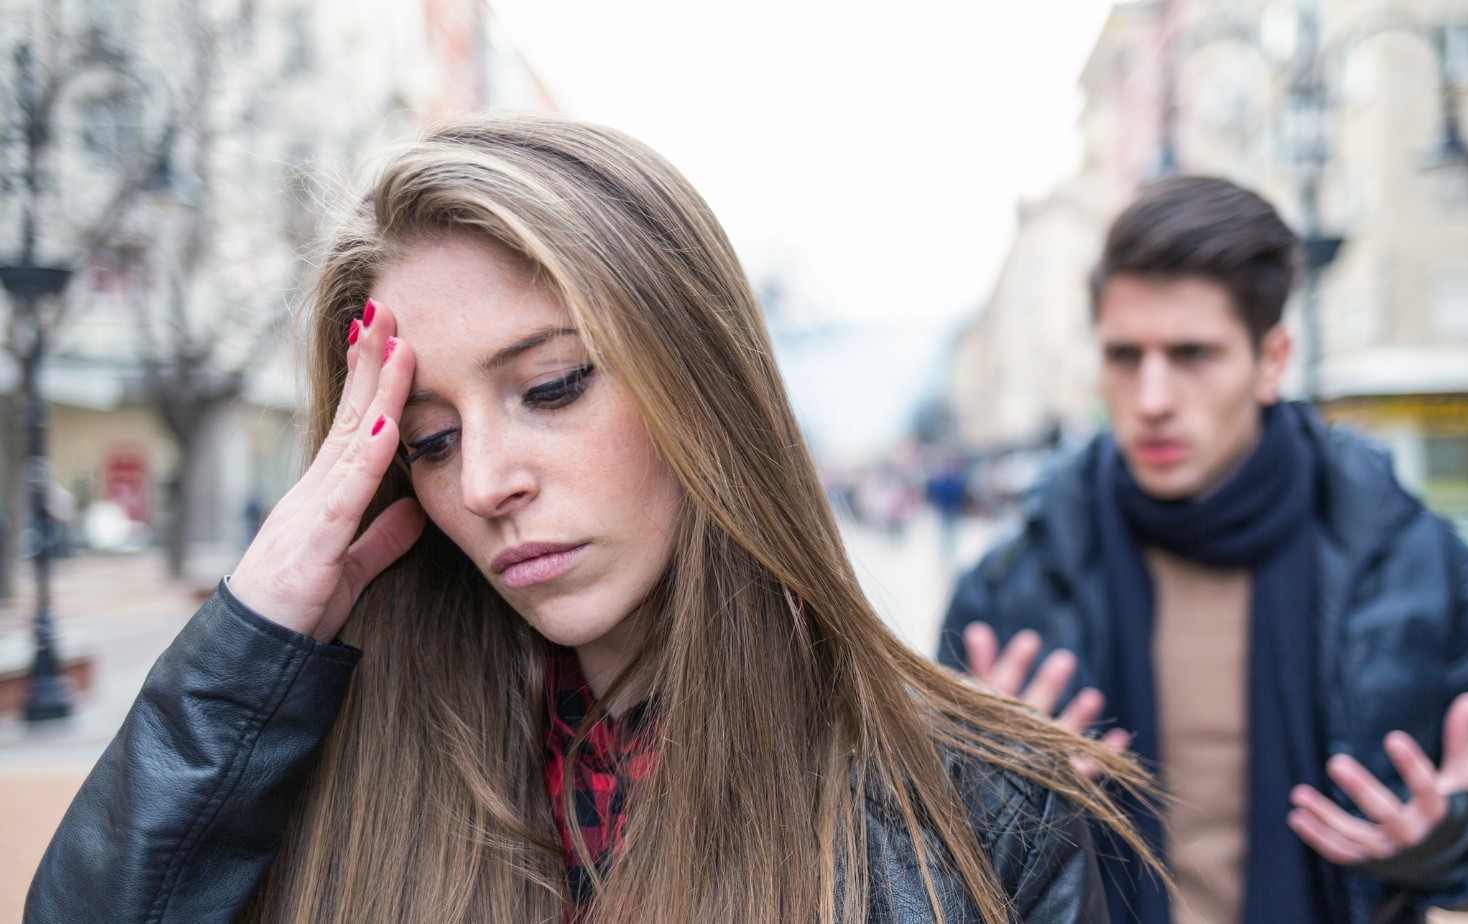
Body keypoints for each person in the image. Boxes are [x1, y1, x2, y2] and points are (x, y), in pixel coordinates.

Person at [24, 114, 1162, 924]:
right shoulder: (319, 777)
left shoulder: (978, 815)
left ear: (699, 386)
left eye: (553, 385)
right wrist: (252, 633)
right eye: (426, 440)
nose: (484, 483)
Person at [940, 176, 1468, 924]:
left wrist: (1448, 841)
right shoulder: (1012, 586)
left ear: (1271, 360)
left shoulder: (1414, 560)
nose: (1153, 396)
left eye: (1193, 354)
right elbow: (922, 858)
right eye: (1125, 356)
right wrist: (986, 788)